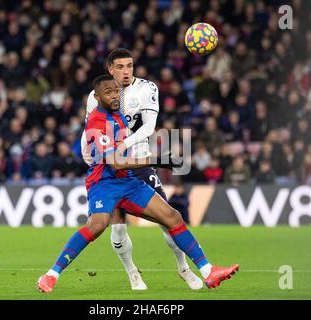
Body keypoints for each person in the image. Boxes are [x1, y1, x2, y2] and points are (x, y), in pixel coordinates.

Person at [37, 75, 238, 293]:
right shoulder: (97, 121)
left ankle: (208, 272)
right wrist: (158, 160)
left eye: (116, 91)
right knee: (97, 226)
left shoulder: (118, 116)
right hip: (104, 183)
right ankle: (51, 275)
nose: (114, 95)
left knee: (172, 217)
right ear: (97, 97)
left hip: (129, 181)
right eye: (108, 92)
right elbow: (115, 163)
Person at [80, 48, 202, 290]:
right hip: (111, 172)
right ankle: (132, 272)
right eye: (121, 67)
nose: (127, 71)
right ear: (110, 69)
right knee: (117, 230)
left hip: (139, 164)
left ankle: (183, 267)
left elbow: (148, 128)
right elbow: (89, 129)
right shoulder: (95, 96)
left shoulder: (147, 89)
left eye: (130, 66)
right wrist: (88, 152)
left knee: (168, 219)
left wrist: (122, 145)